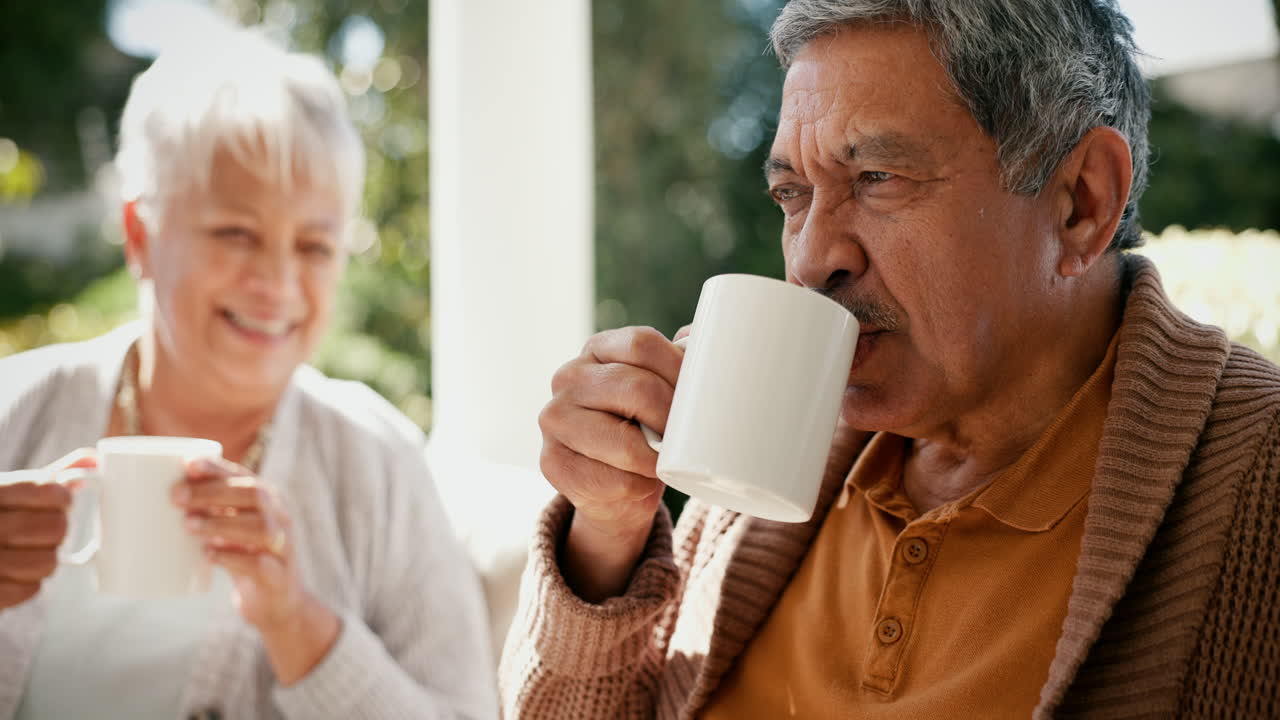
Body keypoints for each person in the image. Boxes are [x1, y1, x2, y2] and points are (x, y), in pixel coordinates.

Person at [500, 1, 1280, 717]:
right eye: (792, 195)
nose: (810, 260)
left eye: (877, 179)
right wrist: (606, 539)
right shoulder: (765, 465)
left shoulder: (1256, 491)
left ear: (1080, 204)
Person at [0, 28, 498, 719]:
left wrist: (298, 623)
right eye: (235, 233)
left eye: (315, 245)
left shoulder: (377, 461)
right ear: (140, 235)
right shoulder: (15, 409)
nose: (278, 283)